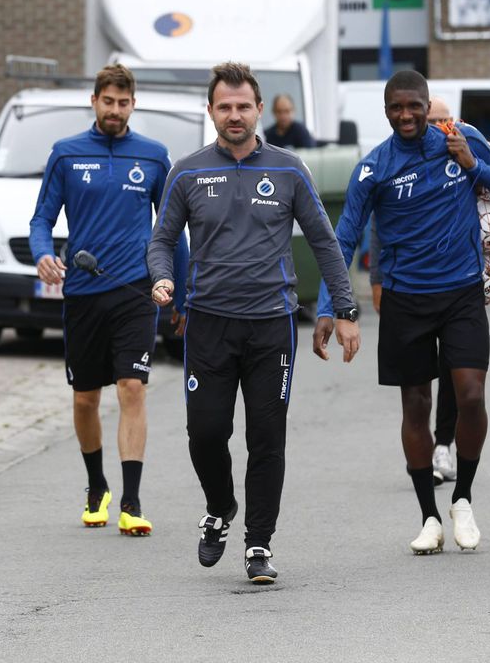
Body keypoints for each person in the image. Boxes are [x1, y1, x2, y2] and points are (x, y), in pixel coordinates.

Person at [147, 61, 360, 583]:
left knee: (266, 437)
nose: (235, 115)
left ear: (260, 109)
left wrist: (344, 309)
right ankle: (220, 508)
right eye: (225, 106)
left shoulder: (288, 170)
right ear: (211, 111)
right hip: (209, 324)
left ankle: (259, 545)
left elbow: (324, 241)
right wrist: (161, 278)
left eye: (244, 106)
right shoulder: (189, 170)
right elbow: (161, 239)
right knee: (206, 433)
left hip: (272, 325)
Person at [313, 70, 490, 555]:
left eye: (414, 106)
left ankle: (463, 498)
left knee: (470, 395)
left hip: (461, 292)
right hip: (406, 300)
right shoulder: (374, 168)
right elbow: (343, 237)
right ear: (386, 111)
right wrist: (331, 306)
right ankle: (429, 515)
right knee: (416, 406)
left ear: (428, 106)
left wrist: (473, 165)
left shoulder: (459, 140)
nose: (405, 115)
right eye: (396, 108)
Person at [30, 63, 188, 538]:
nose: (115, 110)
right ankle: (96, 485)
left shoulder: (154, 157)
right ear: (94, 102)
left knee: (132, 389)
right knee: (84, 399)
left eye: (123, 103)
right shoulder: (66, 154)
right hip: (82, 295)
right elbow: (41, 219)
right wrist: (42, 254)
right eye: (107, 101)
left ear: (132, 105)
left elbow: (172, 229)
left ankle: (131, 501)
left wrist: (181, 290)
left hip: (136, 292)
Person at [369, 96, 459, 485]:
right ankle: (424, 454)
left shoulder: (464, 152)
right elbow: (379, 224)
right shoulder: (394, 162)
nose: (438, 126)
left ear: (452, 121)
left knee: (457, 374)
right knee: (419, 384)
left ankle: (445, 444)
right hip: (409, 288)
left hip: (458, 285)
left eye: (444, 119)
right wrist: (376, 281)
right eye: (433, 119)